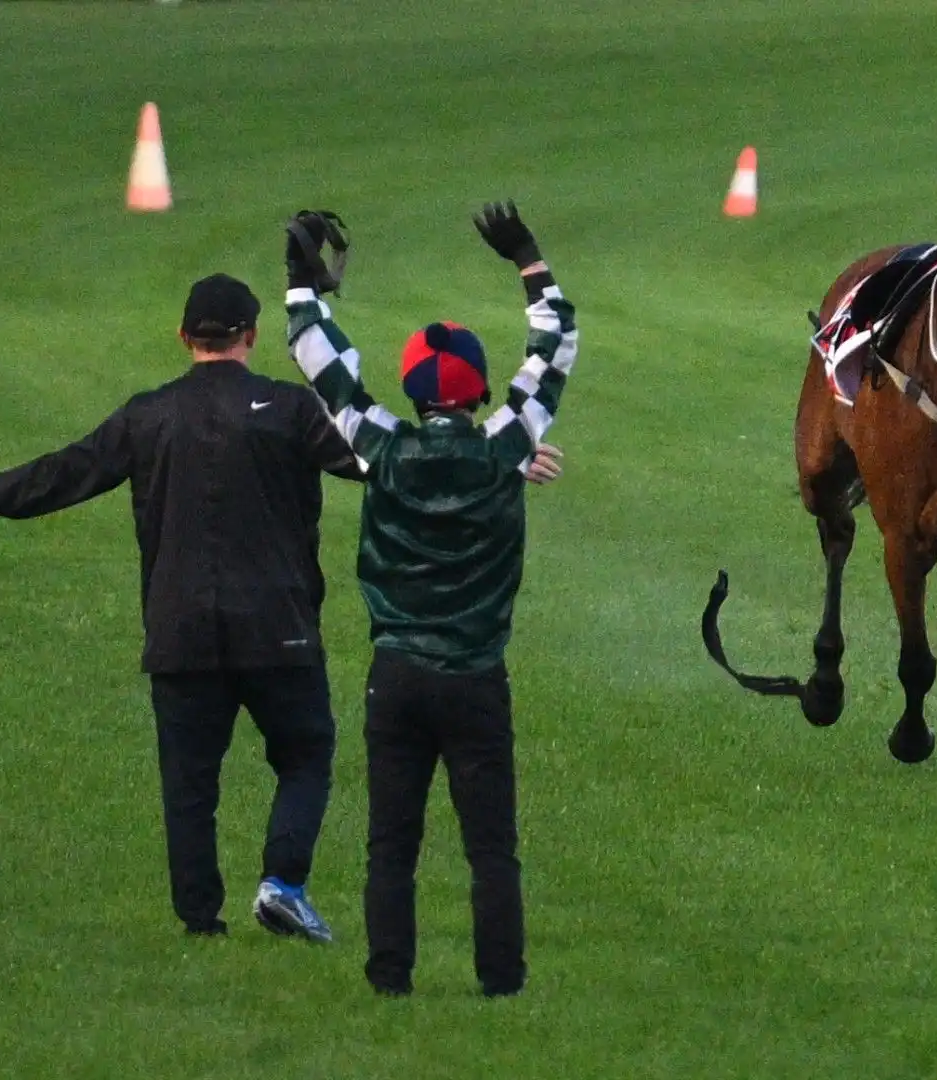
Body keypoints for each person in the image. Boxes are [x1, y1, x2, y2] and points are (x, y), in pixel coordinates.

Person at [0, 274, 369, 942]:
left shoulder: (149, 416)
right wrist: (492, 460)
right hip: (277, 626)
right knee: (305, 754)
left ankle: (200, 927)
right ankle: (283, 884)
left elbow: (59, 476)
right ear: (251, 337)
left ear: (183, 338)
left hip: (180, 631)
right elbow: (384, 462)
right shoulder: (291, 410)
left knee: (189, 784)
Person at [282, 201, 576, 997]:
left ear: (413, 389)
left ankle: (390, 979)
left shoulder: (382, 446)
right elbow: (556, 346)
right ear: (480, 390)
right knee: (492, 847)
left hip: (397, 673)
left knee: (390, 846)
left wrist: (301, 285)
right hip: (477, 673)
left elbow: (323, 363)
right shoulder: (508, 445)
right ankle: (502, 982)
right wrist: (529, 260)